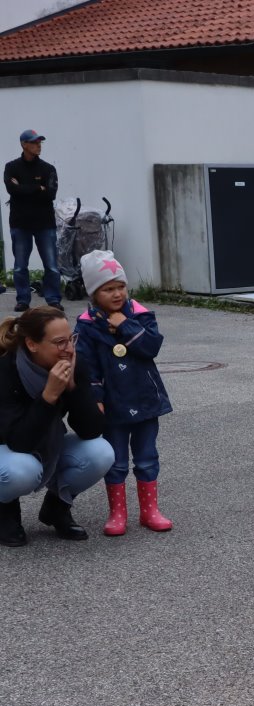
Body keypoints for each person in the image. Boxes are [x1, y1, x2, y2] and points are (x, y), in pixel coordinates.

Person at [73, 250, 173, 535]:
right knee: (116, 462)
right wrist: (95, 399)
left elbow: (151, 346)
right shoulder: (87, 325)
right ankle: (117, 514)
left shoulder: (140, 316)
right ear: (94, 293)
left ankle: (149, 511)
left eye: (120, 286)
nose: (117, 293)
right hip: (113, 403)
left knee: (146, 456)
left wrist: (125, 325)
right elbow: (86, 368)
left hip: (144, 399)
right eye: (108, 289)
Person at [0, 306, 113, 546]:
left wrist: (73, 389)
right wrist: (49, 396)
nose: (70, 349)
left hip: (37, 443)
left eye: (71, 339)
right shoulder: (6, 369)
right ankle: (5, 511)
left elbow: (92, 429)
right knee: (21, 470)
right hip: (6, 448)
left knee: (101, 453)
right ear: (32, 345)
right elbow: (19, 442)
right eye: (60, 343)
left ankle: (56, 507)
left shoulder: (71, 362)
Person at [4, 130, 61, 314]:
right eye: (34, 142)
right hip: (20, 224)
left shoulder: (48, 169)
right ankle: (23, 300)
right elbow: (12, 190)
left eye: (39, 142)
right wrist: (38, 188)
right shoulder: (11, 167)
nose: (38, 145)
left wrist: (23, 188)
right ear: (24, 144)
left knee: (51, 265)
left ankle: (53, 299)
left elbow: (50, 194)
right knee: (20, 266)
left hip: (45, 224)